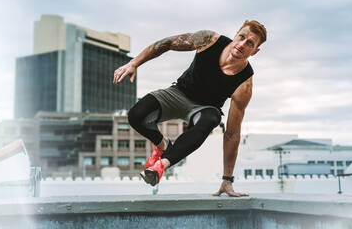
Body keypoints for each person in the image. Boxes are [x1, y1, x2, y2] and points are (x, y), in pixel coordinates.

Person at [113, 20, 266, 197]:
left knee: (211, 119)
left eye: (250, 43)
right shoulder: (209, 40)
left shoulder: (244, 83)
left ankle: (162, 165)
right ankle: (164, 145)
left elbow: (232, 134)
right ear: (236, 34)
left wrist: (227, 179)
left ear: (255, 51)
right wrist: (134, 63)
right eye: (241, 37)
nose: (242, 44)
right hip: (178, 93)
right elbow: (167, 43)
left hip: (205, 108)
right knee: (136, 115)